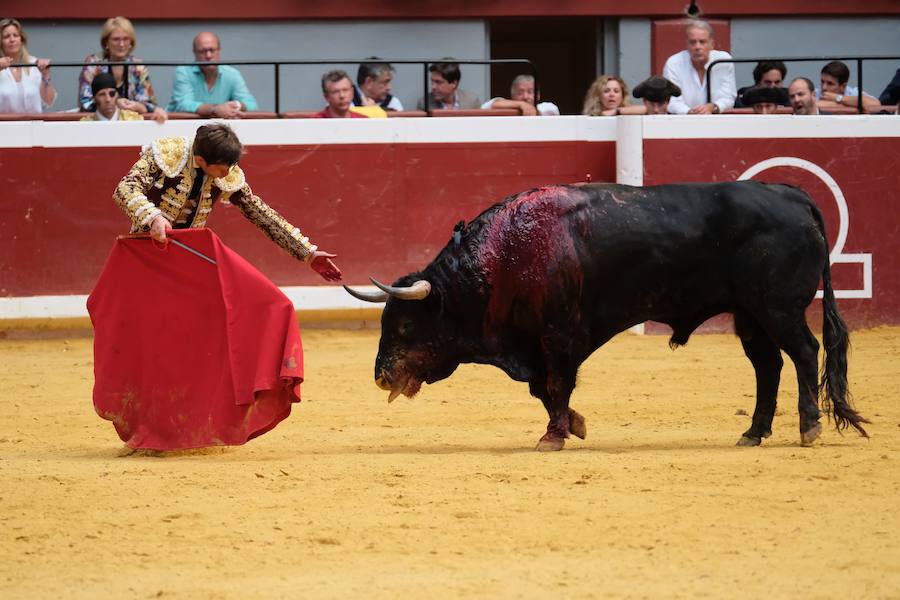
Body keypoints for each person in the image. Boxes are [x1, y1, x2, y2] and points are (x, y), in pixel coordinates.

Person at [78, 16, 166, 122]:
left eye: (125, 39)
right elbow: (85, 103)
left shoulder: (138, 66)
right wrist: (115, 103)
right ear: (106, 42)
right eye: (116, 39)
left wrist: (139, 106)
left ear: (131, 42)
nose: (121, 44)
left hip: (132, 125)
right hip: (98, 124)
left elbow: (150, 104)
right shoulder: (94, 63)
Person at [167, 32, 257, 117]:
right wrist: (215, 109)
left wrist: (236, 105)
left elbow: (252, 105)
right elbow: (184, 105)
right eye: (203, 51)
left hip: (216, 129)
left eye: (212, 50)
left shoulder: (232, 74)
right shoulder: (183, 72)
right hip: (180, 127)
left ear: (219, 50)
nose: (208, 55)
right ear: (194, 52)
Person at [662, 19, 736, 114]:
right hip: (683, 122)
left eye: (702, 42)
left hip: (718, 120)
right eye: (693, 42)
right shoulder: (673, 63)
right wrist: (689, 112)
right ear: (687, 45)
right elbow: (672, 101)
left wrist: (713, 107)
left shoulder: (723, 60)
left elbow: (728, 96)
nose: (697, 47)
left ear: (712, 44)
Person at [0, 18, 56, 113]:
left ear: (21, 39)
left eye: (15, 35)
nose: (12, 39)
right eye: (6, 36)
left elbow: (48, 102)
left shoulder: (34, 64)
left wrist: (45, 75)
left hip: (33, 125)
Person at [482, 74, 559, 116]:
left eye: (530, 92)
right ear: (512, 95)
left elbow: (551, 111)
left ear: (538, 95)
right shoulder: (508, 105)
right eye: (520, 93)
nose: (525, 97)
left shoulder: (547, 107)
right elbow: (489, 105)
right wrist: (521, 104)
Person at [416, 60, 481, 110]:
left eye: (438, 82)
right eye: (432, 81)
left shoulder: (472, 100)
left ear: (454, 83)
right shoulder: (425, 103)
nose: (433, 87)